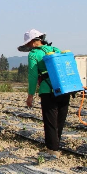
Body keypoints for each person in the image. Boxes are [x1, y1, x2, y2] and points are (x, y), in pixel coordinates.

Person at [18, 29, 67, 158]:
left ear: (34, 42)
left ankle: (52, 150)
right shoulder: (55, 49)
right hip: (63, 89)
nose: (28, 46)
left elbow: (33, 75)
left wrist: (30, 95)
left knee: (50, 121)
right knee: (59, 121)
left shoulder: (34, 54)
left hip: (48, 90)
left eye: (28, 43)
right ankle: (56, 145)